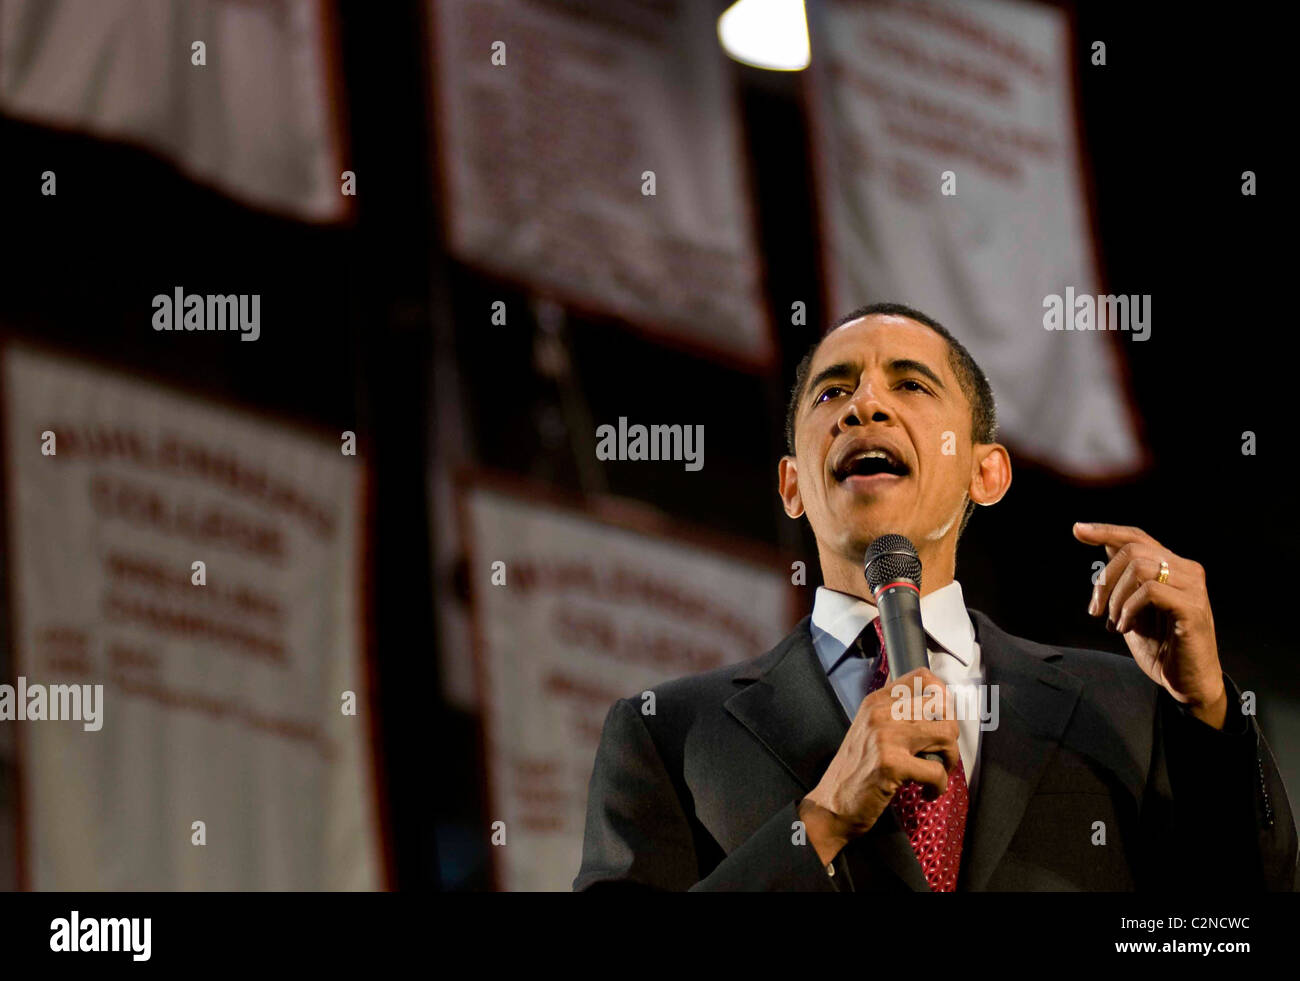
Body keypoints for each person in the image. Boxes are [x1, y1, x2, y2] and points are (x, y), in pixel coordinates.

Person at [573, 302, 1297, 891]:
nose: (865, 406)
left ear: (986, 473)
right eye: (834, 390)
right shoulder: (668, 732)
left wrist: (1206, 709)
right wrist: (819, 822)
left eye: (911, 384)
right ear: (791, 486)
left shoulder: (1126, 709)